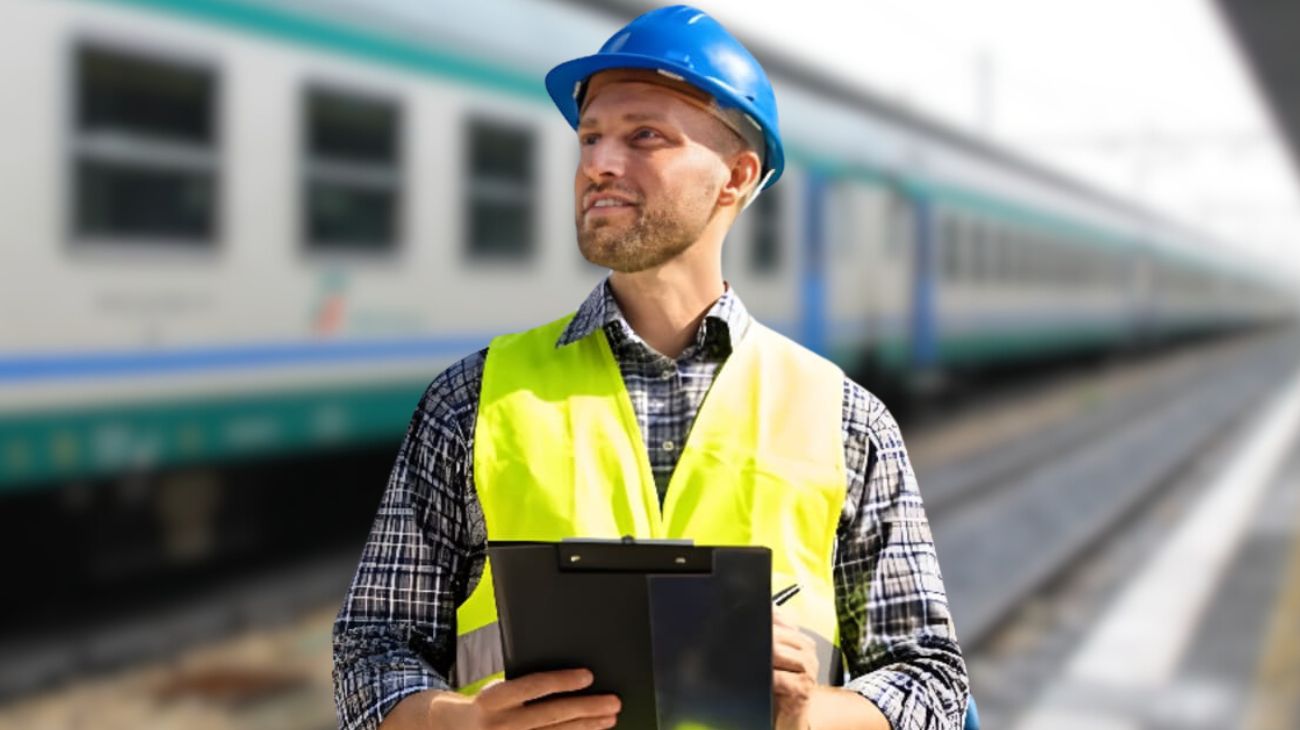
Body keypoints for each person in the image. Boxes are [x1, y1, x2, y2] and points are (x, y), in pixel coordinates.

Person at [332, 6, 968, 729]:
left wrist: (806, 715)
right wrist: (463, 721)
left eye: (645, 137)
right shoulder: (469, 401)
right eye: (591, 138)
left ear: (735, 178)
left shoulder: (849, 422)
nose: (599, 163)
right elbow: (371, 653)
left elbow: (932, 683)